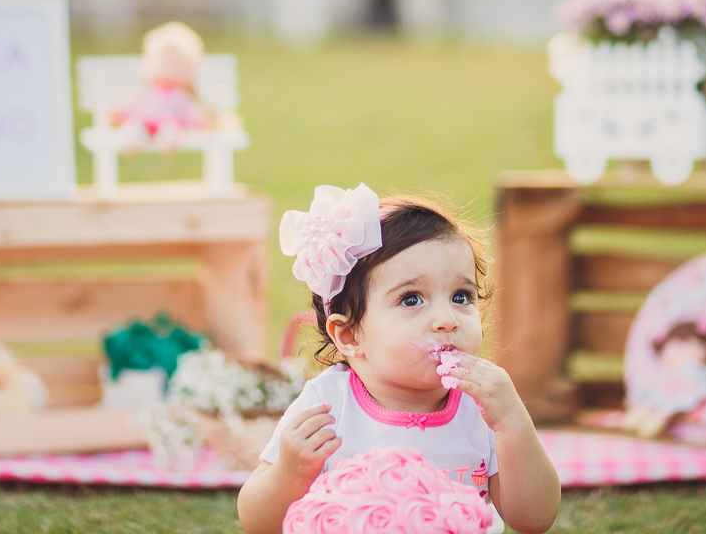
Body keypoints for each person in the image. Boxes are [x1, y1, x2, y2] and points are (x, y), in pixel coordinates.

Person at [237, 184, 560, 534]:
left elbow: (534, 520)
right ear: (349, 336)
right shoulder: (328, 405)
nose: (447, 319)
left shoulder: (482, 407)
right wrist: (289, 471)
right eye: (411, 299)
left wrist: (512, 424)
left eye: (461, 296)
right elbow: (257, 522)